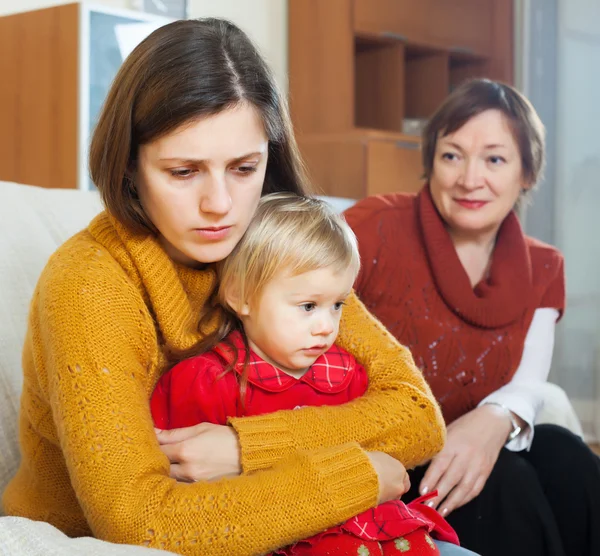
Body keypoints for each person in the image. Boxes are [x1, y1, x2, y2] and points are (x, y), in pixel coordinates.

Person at [1, 18, 446, 556]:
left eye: (243, 167)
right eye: (184, 171)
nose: (220, 205)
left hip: (294, 533)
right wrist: (361, 474)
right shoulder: (89, 284)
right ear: (129, 168)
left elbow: (418, 416)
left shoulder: (273, 241)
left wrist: (244, 447)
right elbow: (141, 523)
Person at [344, 78, 600, 556]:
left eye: (495, 159)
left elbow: (527, 386)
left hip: (474, 448)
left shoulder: (544, 267)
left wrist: (493, 419)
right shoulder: (371, 227)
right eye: (452, 155)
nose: (469, 179)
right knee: (509, 482)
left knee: (567, 456)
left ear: (527, 172)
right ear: (431, 161)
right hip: (385, 455)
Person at [151, 192, 470, 556]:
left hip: (365, 532)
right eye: (307, 306)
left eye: (337, 305)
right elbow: (178, 493)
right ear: (241, 296)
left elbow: (403, 447)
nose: (326, 326)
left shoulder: (351, 375)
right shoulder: (203, 381)